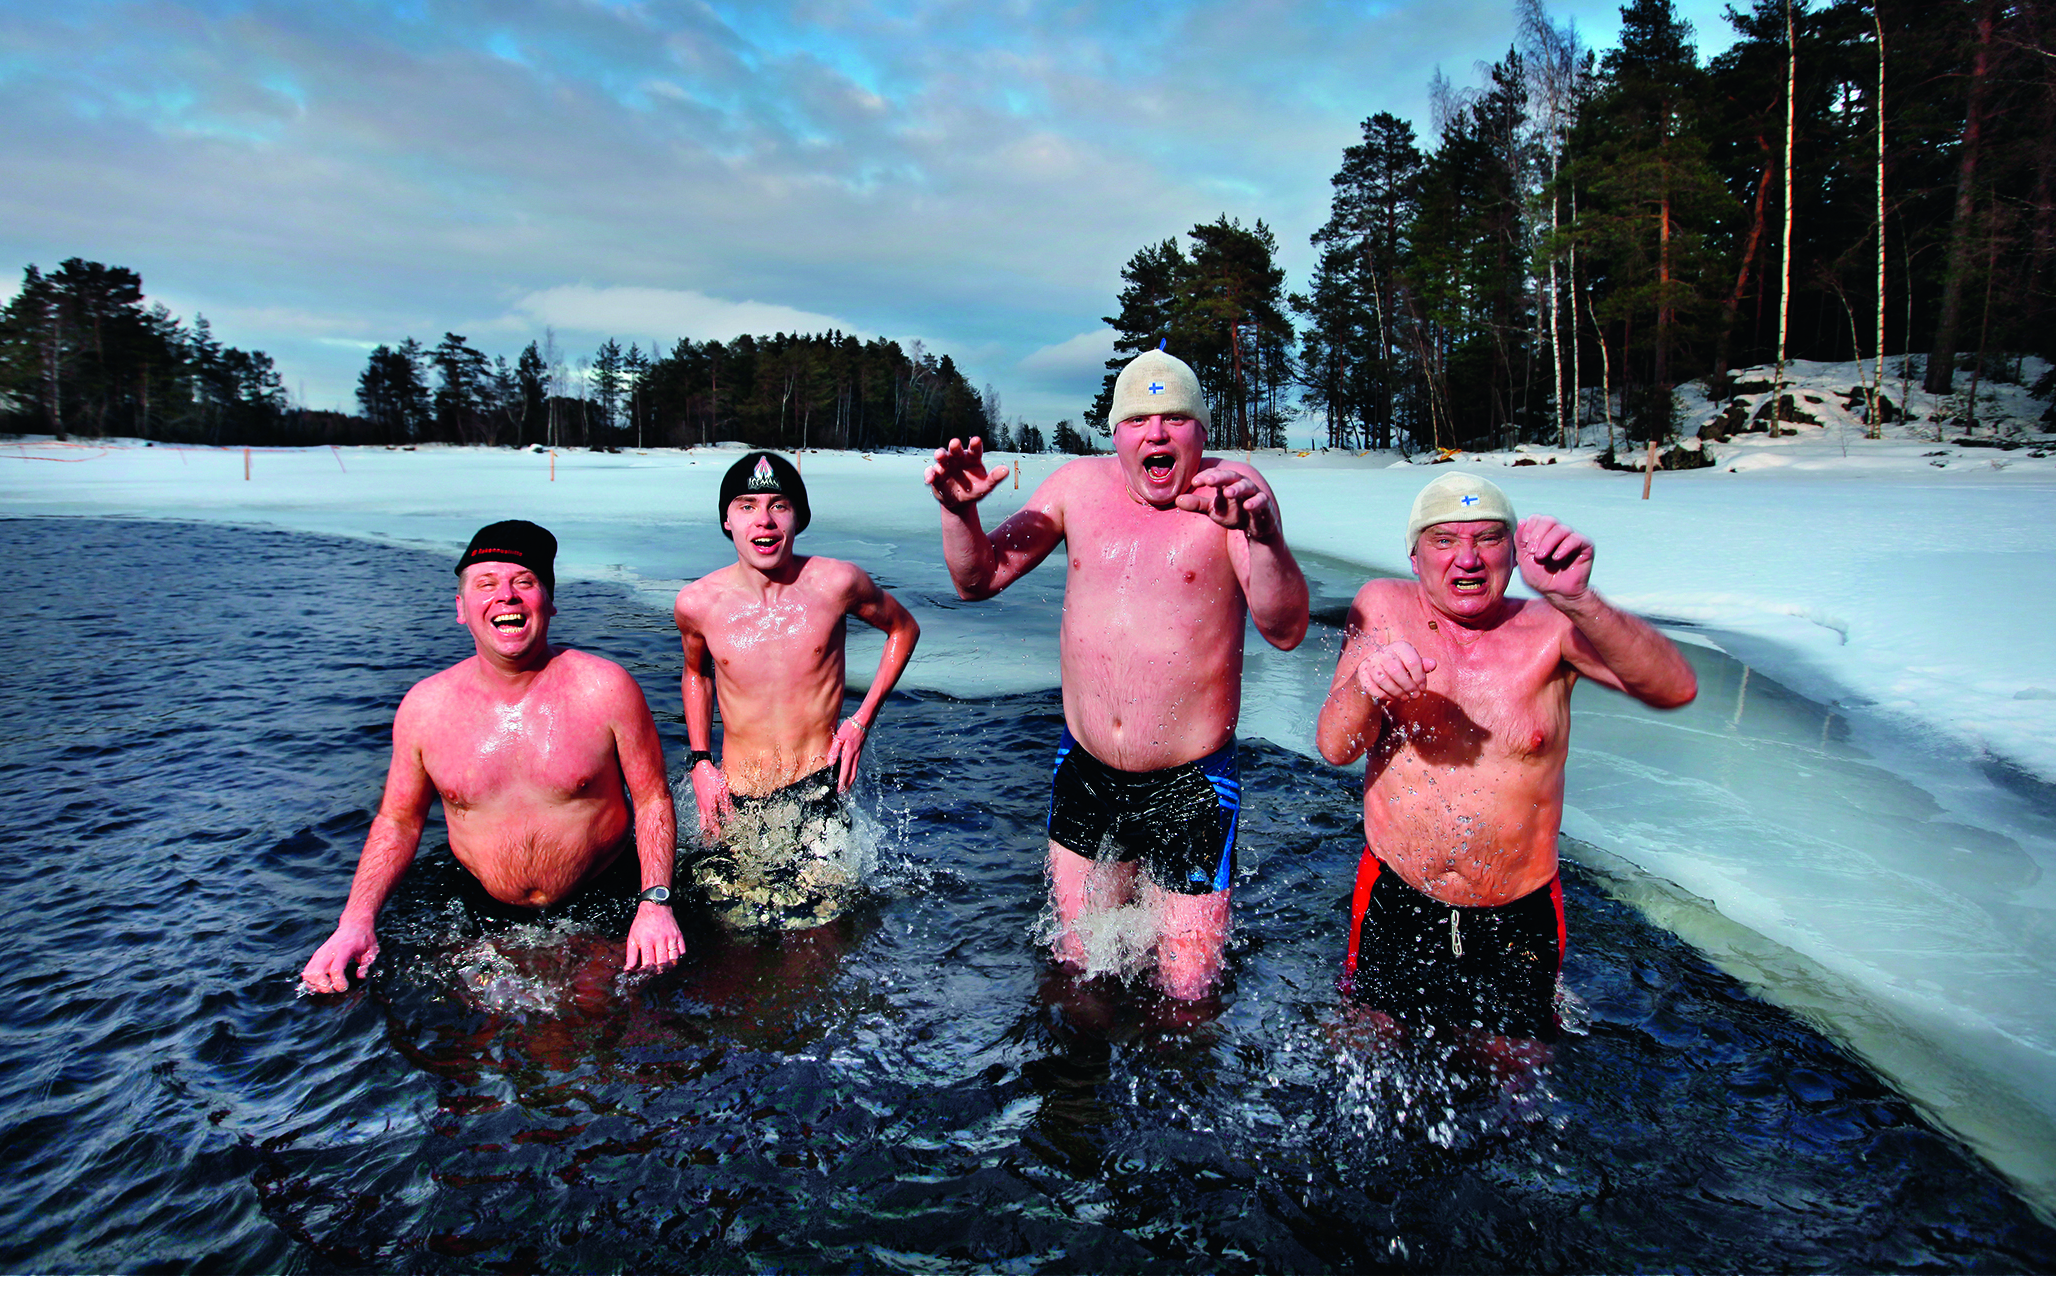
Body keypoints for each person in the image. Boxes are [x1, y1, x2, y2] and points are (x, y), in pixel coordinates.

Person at [925, 348, 1310, 1000]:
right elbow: (977, 577)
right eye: (1137, 420)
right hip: (1086, 773)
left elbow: (1285, 628)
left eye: (1174, 418)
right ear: (1116, 434)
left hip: (1191, 788)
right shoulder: (1077, 488)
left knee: (1188, 994)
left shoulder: (1230, 491)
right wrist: (960, 513)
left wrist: (1266, 538)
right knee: (1079, 971)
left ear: (1201, 431)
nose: (1155, 433)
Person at [1314, 472, 1697, 1045]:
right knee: (1370, 1048)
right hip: (1395, 896)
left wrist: (1578, 599)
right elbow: (1334, 746)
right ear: (1415, 556)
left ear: (1513, 554)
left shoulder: (1553, 630)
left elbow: (1675, 687)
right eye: (1445, 540)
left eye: (1488, 539)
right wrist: (1366, 687)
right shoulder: (1383, 607)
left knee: (1514, 1085)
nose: (1467, 558)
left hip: (1518, 914)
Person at [301, 520, 686, 992]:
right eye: (486, 584)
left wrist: (655, 904)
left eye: (524, 582)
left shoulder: (605, 688)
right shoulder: (426, 708)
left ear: (550, 601)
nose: (506, 596)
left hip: (604, 899)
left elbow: (651, 800)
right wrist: (355, 922)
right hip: (482, 912)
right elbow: (398, 821)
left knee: (608, 1029)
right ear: (461, 608)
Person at [674, 452, 920, 930]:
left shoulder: (836, 583)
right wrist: (700, 761)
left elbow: (903, 629)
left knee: (822, 943)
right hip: (737, 802)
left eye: (778, 505)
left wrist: (859, 722)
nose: (763, 520)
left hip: (820, 791)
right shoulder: (698, 603)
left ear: (799, 518)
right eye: (746, 506)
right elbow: (696, 673)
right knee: (736, 950)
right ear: (727, 520)